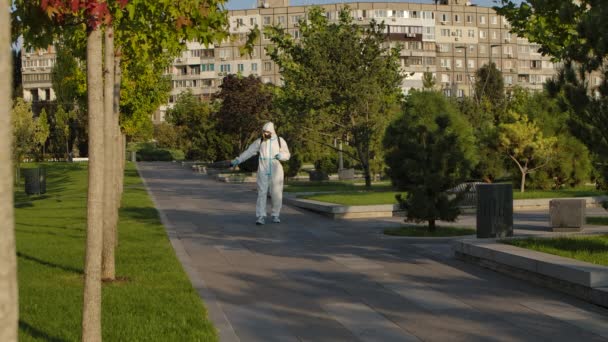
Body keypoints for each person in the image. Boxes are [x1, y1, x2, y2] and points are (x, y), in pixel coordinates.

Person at [231, 122, 290, 225]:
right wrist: (238, 160)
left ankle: (275, 214)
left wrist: (281, 156)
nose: (265, 134)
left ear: (272, 132)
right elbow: (249, 152)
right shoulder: (260, 141)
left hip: (276, 169)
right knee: (261, 192)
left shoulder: (280, 141)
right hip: (263, 169)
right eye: (263, 132)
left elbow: (287, 154)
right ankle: (261, 216)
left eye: (267, 132)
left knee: (276, 193)